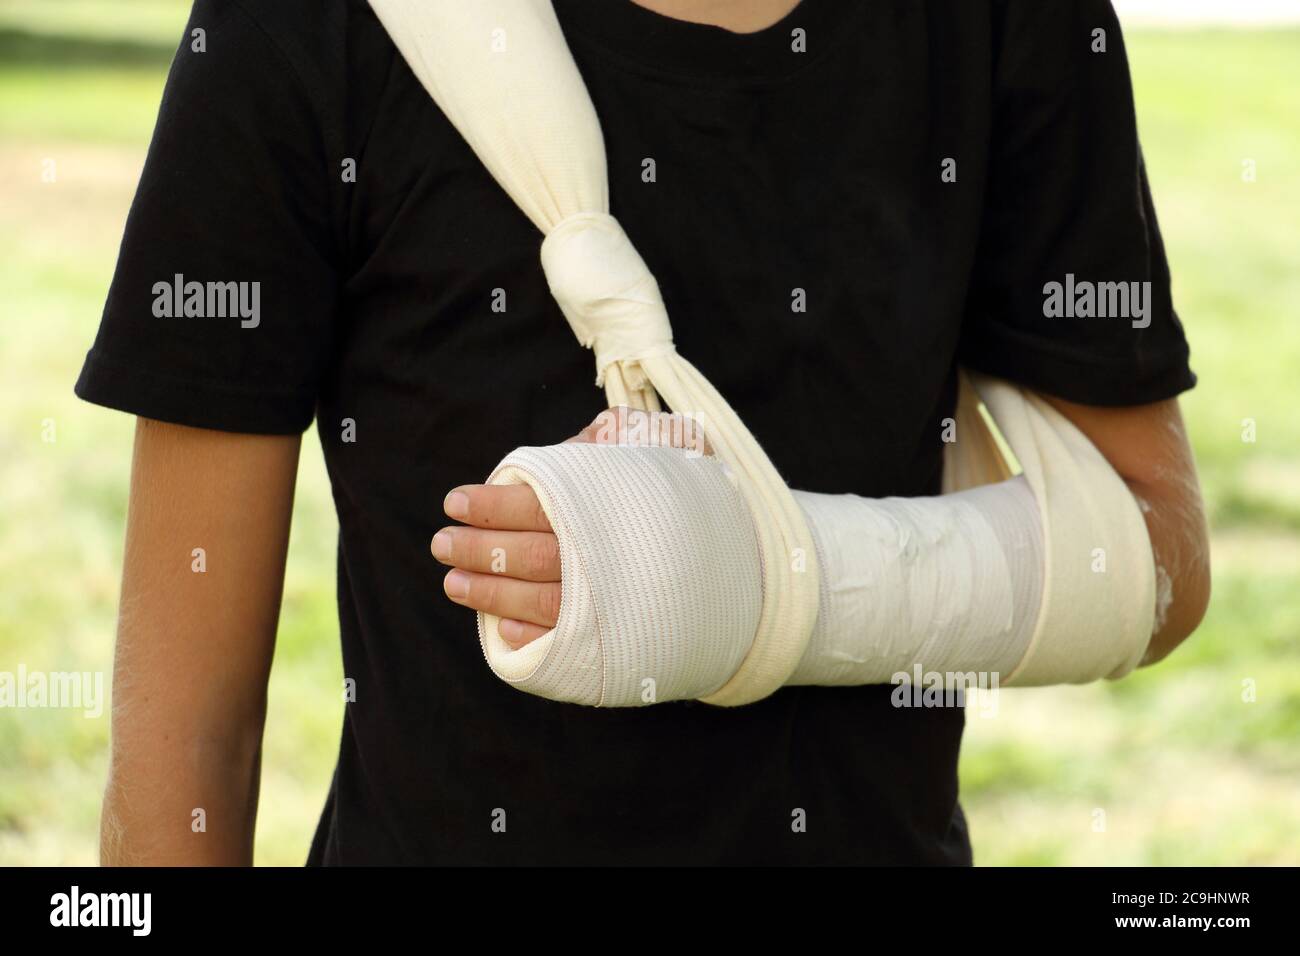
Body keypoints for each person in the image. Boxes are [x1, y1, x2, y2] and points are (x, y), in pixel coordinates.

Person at [78, 0, 1209, 865]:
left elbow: (1154, 553)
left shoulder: (1012, 23)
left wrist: (760, 581)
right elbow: (188, 731)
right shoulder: (307, 27)